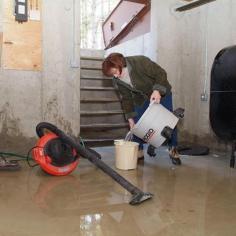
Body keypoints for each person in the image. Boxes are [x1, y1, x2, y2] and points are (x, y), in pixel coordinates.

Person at [102, 53, 181, 165]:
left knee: (169, 122)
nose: (115, 76)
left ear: (120, 65)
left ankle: (173, 149)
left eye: (115, 72)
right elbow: (126, 98)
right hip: (141, 98)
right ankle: (138, 150)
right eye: (112, 75)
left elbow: (161, 73)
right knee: (137, 123)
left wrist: (157, 90)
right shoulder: (117, 81)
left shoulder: (139, 62)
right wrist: (130, 119)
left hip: (161, 92)